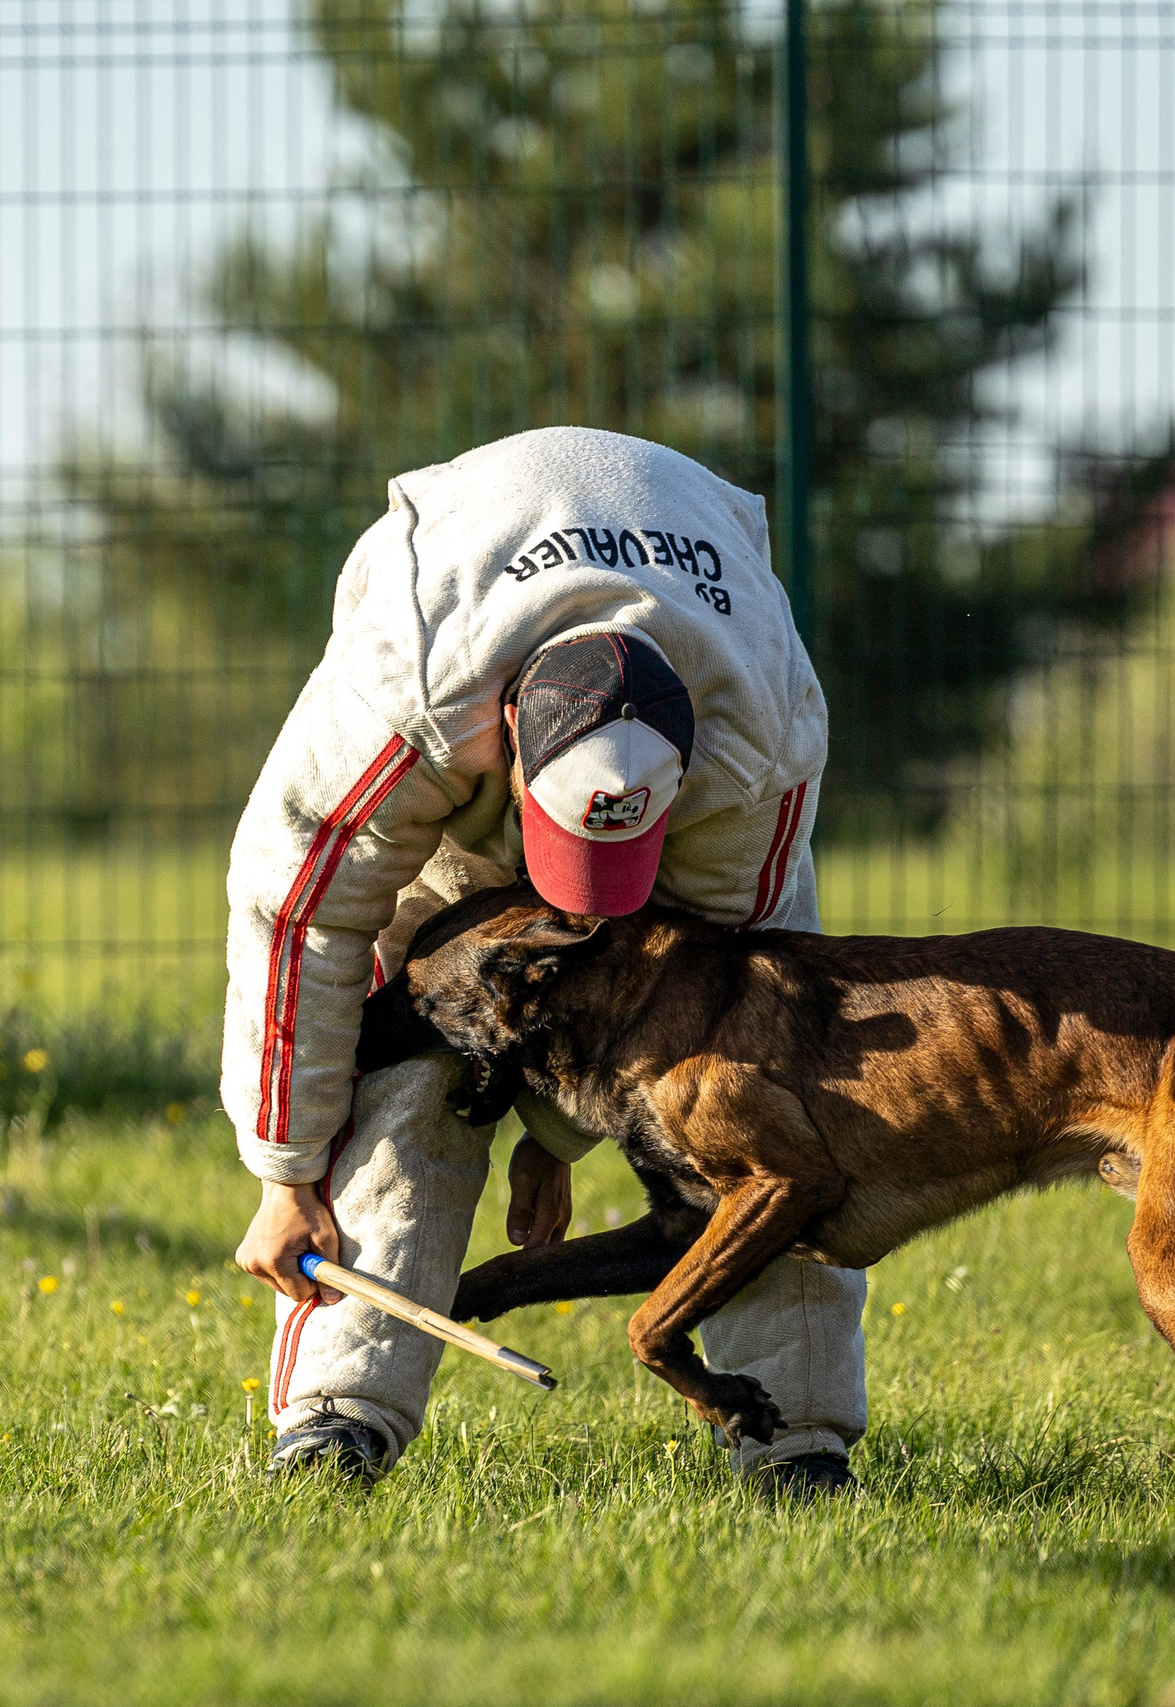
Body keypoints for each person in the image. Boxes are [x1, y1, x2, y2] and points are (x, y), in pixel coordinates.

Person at [225, 426, 866, 1495]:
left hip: (698, 782)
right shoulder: (408, 696)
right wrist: (285, 1173)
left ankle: (795, 1430)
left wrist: (564, 1133)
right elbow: (299, 920)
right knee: (414, 1078)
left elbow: (724, 977)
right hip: (452, 782)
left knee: (753, 1098)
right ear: (512, 732)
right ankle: (339, 1418)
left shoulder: (762, 739)